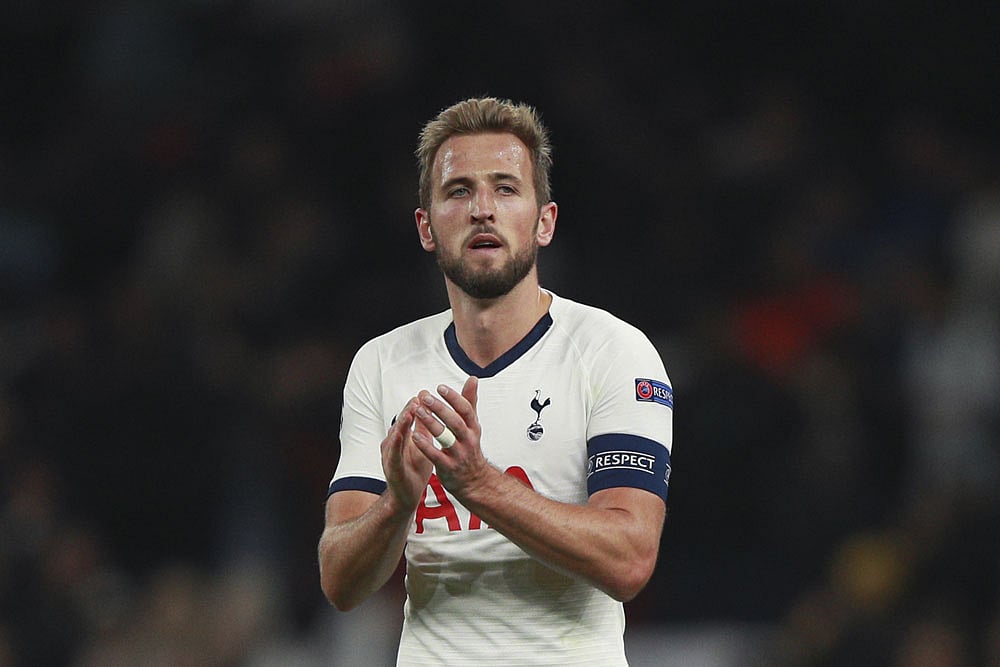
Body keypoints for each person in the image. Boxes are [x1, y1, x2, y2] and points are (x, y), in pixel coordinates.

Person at [318, 97, 673, 666]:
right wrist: (396, 505)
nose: (482, 209)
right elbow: (340, 582)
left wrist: (478, 482)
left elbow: (630, 560)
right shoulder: (381, 363)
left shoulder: (613, 353)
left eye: (506, 189)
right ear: (426, 227)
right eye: (459, 191)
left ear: (544, 221)